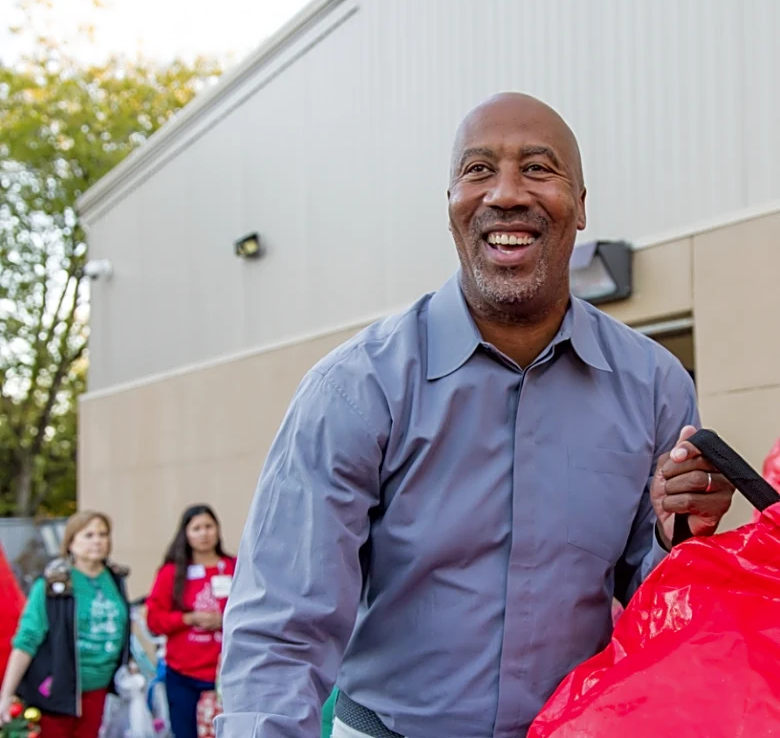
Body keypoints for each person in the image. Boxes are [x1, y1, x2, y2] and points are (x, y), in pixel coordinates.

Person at [216, 93, 735, 738]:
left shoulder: (656, 386)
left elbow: (660, 612)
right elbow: (282, 629)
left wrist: (679, 539)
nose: (506, 193)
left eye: (538, 168)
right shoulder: (353, 389)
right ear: (452, 205)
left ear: (580, 207)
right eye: (479, 170)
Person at [0, 510, 131, 738]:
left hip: (99, 688)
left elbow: (121, 627)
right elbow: (27, 639)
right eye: (88, 535)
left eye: (103, 534)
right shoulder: (54, 585)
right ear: (70, 542)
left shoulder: (114, 579)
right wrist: (6, 695)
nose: (97, 541)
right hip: (57, 690)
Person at [146, 504, 235, 738]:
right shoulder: (172, 572)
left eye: (208, 526)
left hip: (228, 673)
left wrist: (224, 620)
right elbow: (154, 620)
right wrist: (188, 618)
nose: (204, 533)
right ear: (185, 533)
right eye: (196, 528)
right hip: (184, 674)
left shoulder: (235, 567)